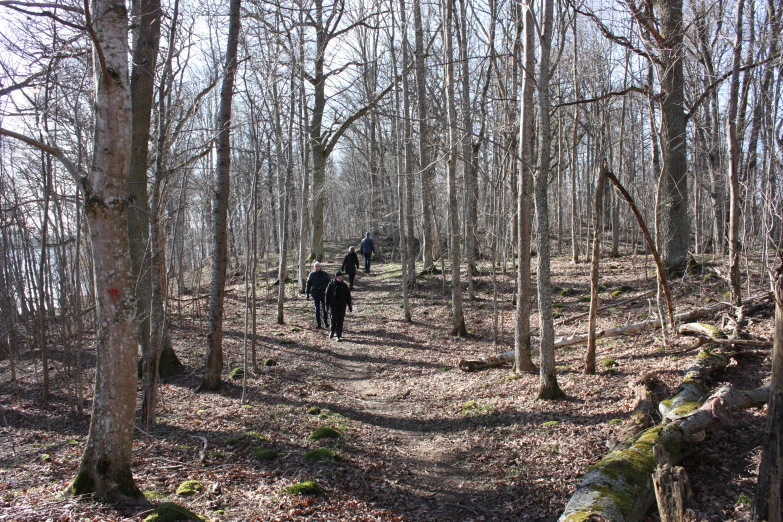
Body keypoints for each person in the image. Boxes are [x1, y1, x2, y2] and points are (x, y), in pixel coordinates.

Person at [325, 271, 352, 341]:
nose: (340, 279)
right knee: (333, 318)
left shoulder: (344, 285)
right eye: (339, 277)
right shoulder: (331, 285)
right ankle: (332, 330)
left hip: (342, 305)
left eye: (341, 277)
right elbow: (327, 296)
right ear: (336, 277)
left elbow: (348, 296)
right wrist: (326, 305)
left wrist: (349, 305)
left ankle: (338, 335)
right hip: (333, 305)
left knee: (340, 320)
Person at [305, 261, 330, 329]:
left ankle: (325, 322)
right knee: (317, 309)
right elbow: (308, 284)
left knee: (325, 309)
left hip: (323, 293)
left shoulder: (325, 274)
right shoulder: (311, 274)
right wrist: (307, 294)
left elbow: (329, 284)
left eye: (318, 266)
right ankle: (318, 324)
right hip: (315, 294)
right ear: (314, 267)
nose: (317, 267)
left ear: (320, 267)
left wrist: (329, 293)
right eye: (316, 266)